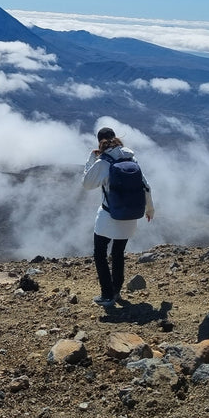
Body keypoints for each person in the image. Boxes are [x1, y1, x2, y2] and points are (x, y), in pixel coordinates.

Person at [82, 126, 154, 307]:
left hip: (108, 216)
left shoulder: (103, 162)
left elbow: (87, 184)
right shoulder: (131, 158)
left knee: (100, 253)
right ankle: (116, 292)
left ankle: (107, 295)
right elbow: (146, 185)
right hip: (130, 217)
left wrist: (92, 158)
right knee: (118, 253)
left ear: (99, 142)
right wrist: (150, 209)